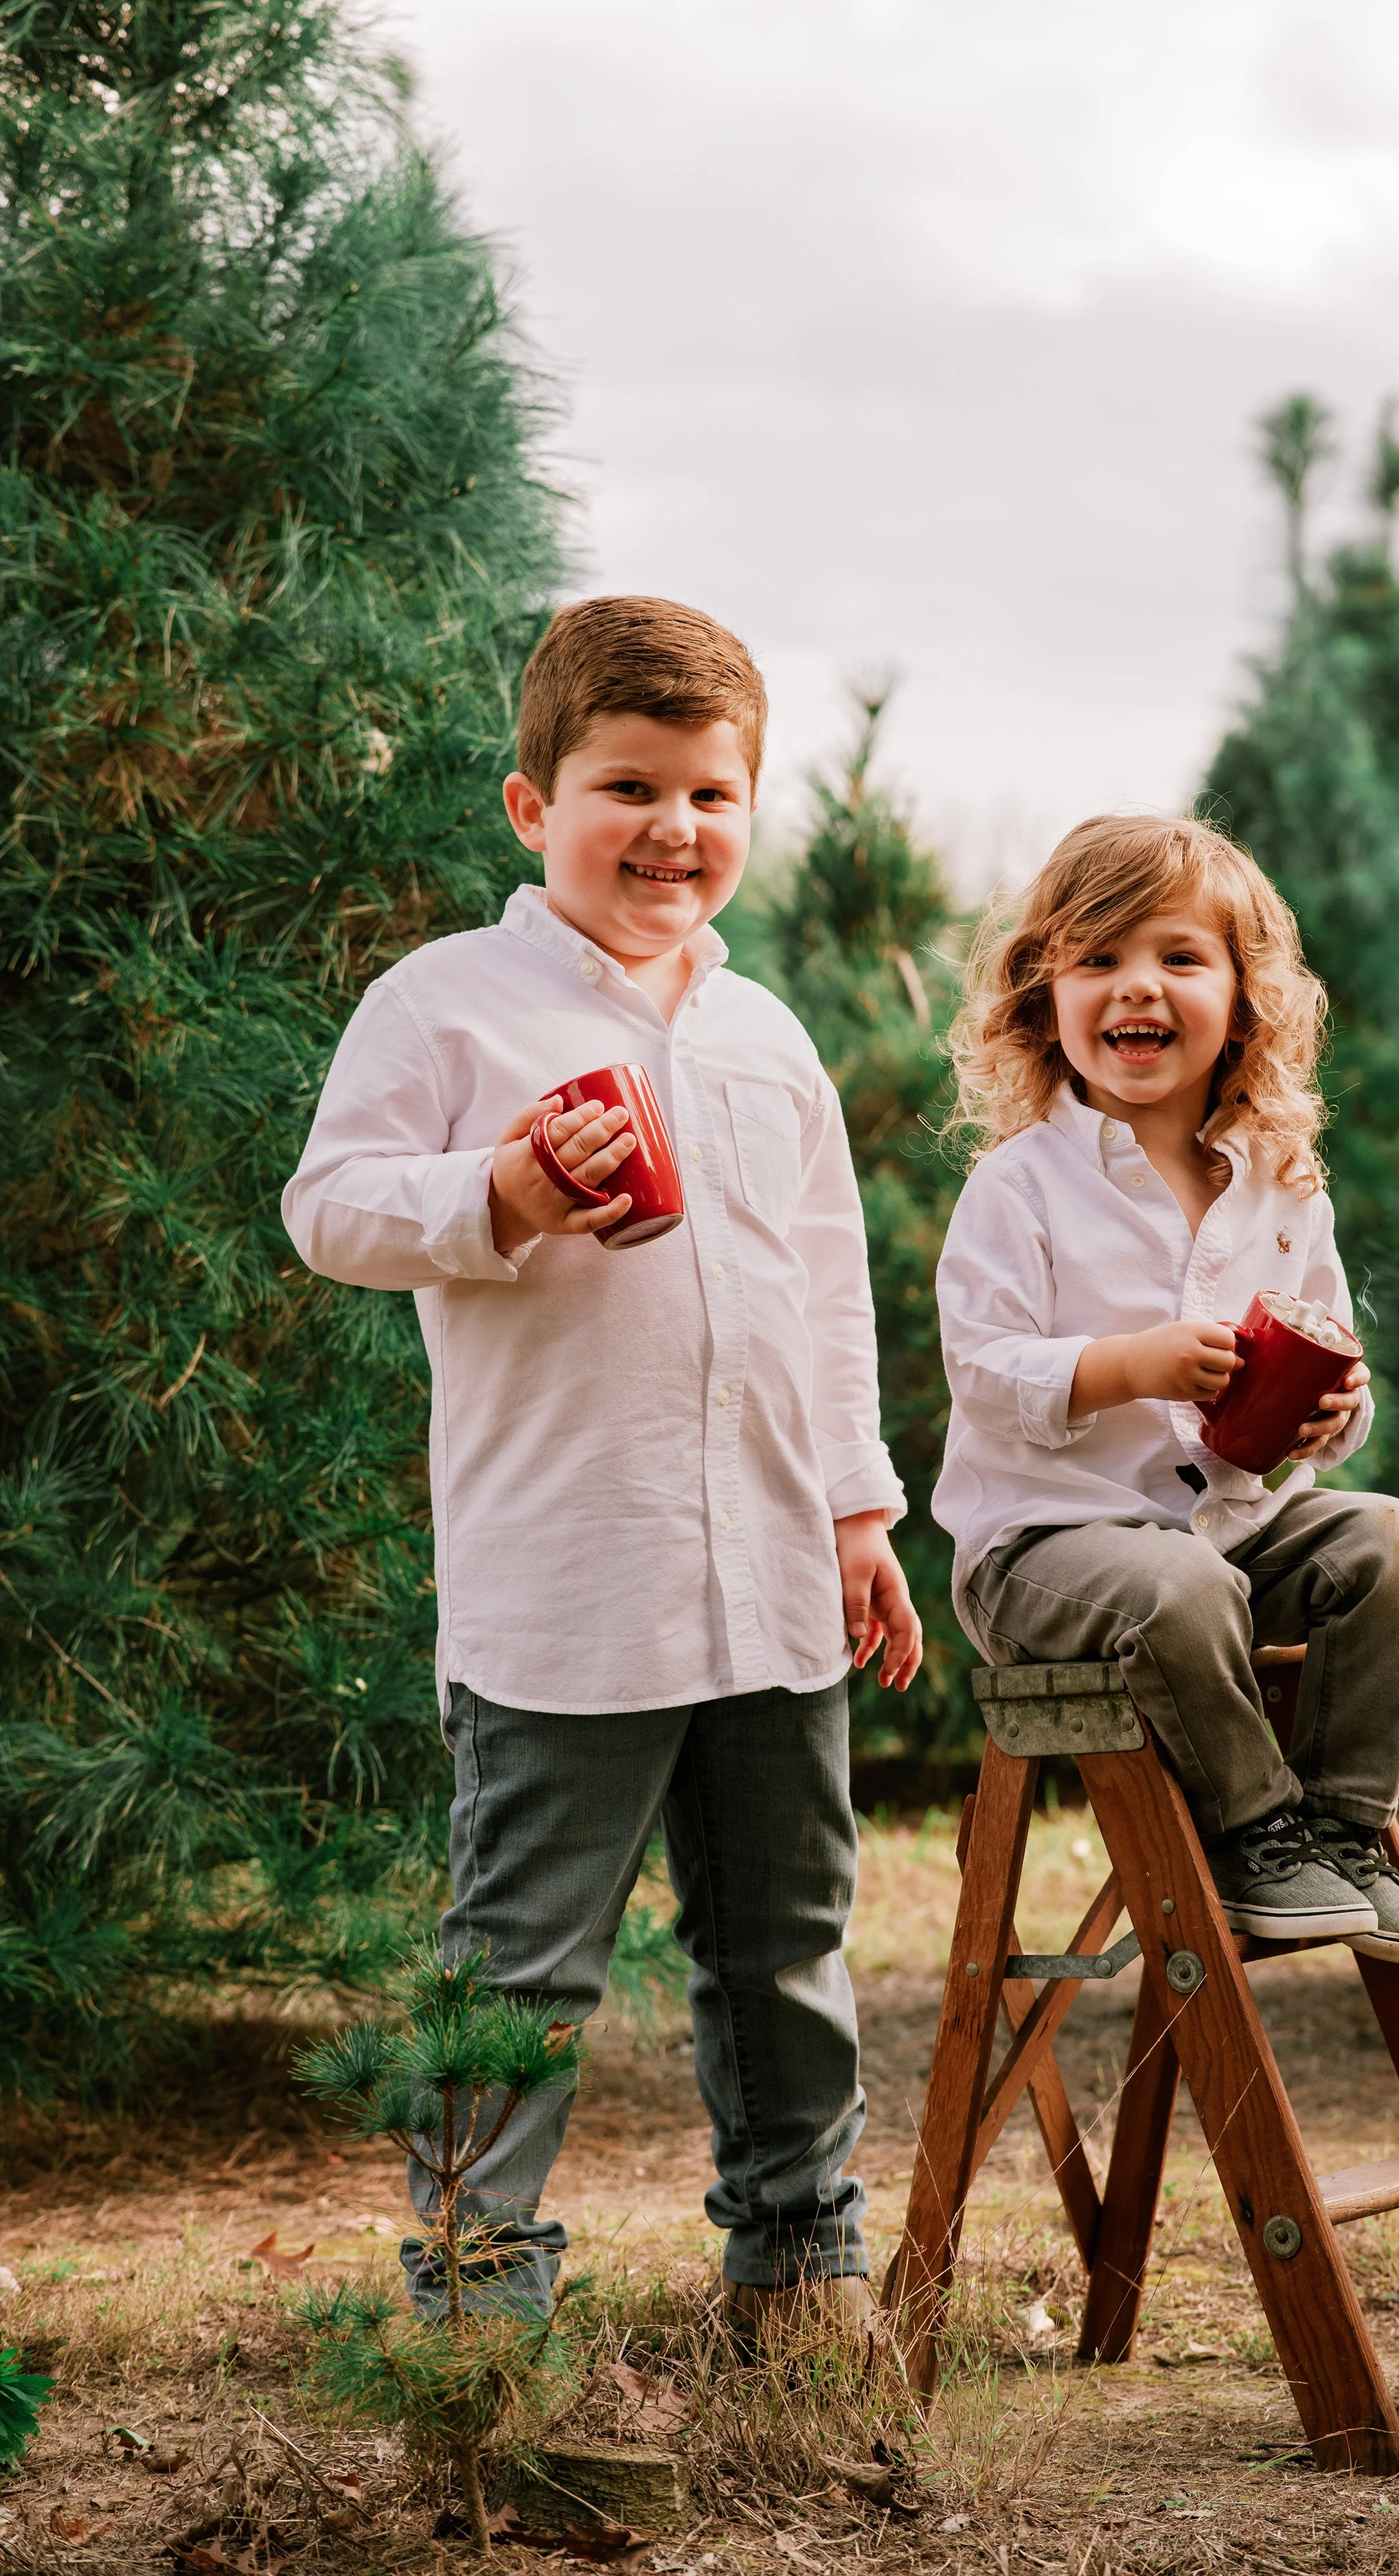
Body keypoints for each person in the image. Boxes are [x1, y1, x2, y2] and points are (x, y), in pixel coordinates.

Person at [283, 595, 921, 2327]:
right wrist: (496, 1192)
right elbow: (328, 1207)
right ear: (529, 807)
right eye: (628, 787)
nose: (673, 830)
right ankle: (477, 2309)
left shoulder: (761, 1034)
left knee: (780, 1949)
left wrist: (859, 1505)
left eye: (711, 795)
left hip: (776, 1575)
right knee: (522, 1966)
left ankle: (799, 2273)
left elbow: (825, 1292)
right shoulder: (449, 1004)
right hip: (570, 1586)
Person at [933, 813, 1399, 1961]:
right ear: (1045, 996)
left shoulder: (1283, 1181)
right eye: (1100, 960)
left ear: (1243, 997)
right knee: (1173, 1582)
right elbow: (978, 1369)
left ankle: (1344, 1828)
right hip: (1046, 1552)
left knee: (1396, 1543)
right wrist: (1131, 1366)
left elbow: (1336, 1374)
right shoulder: (1019, 1188)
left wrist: (1334, 1412)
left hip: (1229, 1534)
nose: (1139, 988)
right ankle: (1256, 1831)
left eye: (1179, 957)